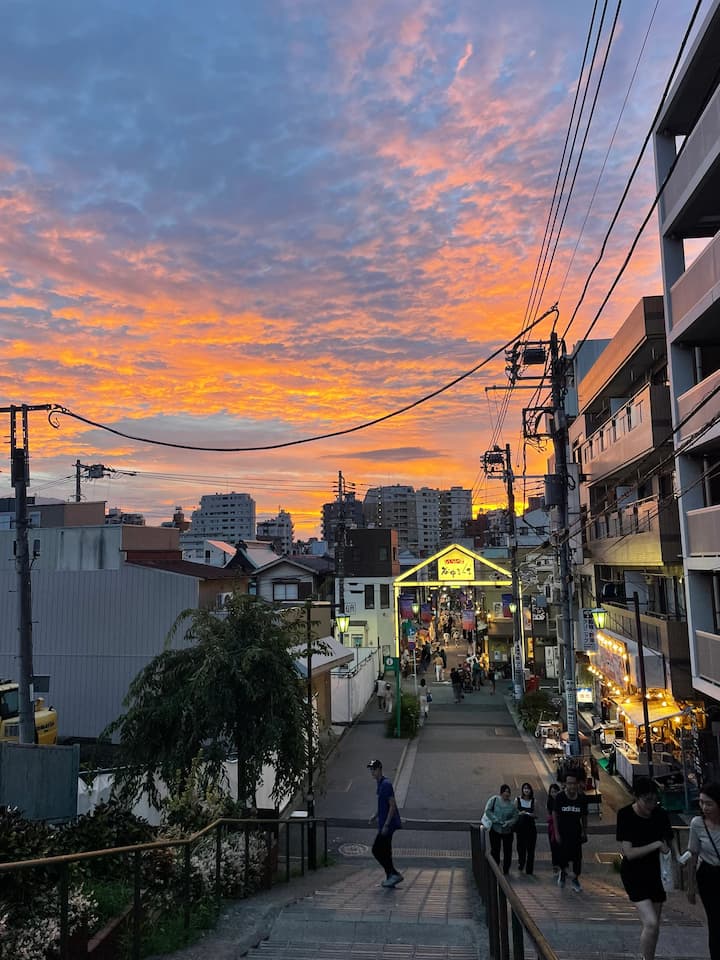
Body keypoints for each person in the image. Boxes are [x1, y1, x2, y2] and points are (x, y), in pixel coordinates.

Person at [616, 776, 673, 960]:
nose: (651, 805)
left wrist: (671, 852)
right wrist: (656, 845)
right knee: (651, 922)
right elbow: (629, 852)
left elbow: (669, 841)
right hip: (634, 874)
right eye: (647, 800)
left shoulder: (660, 814)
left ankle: (649, 956)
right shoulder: (625, 815)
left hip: (655, 873)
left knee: (654, 926)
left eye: (654, 800)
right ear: (636, 797)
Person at [686, 781, 720, 960]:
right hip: (708, 875)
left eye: (709, 803)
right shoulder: (697, 824)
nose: (704, 807)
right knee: (715, 922)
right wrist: (690, 886)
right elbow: (693, 855)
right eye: (701, 802)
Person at [367, 760, 403, 887]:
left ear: (380, 769)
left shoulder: (386, 784)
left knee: (376, 850)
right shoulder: (380, 783)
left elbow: (392, 805)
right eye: (371, 769)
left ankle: (394, 874)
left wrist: (386, 825)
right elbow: (382, 804)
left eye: (374, 769)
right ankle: (391, 877)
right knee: (385, 851)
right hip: (383, 823)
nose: (372, 771)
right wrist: (375, 816)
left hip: (388, 825)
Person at [551, 772, 587, 892]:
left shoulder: (581, 798)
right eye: (569, 783)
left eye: (574, 783)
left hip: (576, 832)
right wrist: (556, 833)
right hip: (563, 832)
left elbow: (584, 816)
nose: (571, 786)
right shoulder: (560, 797)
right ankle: (563, 873)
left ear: (577, 784)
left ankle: (575, 879)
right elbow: (554, 814)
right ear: (565, 784)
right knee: (563, 857)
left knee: (577, 859)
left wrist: (584, 831)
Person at [484, 784, 518, 875]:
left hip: (507, 830)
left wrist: (509, 822)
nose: (507, 793)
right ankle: (495, 868)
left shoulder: (512, 805)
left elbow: (515, 817)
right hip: (495, 829)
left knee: (507, 851)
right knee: (495, 849)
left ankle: (506, 869)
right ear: (501, 792)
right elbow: (488, 811)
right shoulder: (494, 799)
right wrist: (495, 820)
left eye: (508, 792)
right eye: (505, 791)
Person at [515, 782, 537, 876]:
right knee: (521, 847)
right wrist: (520, 813)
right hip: (521, 828)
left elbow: (537, 814)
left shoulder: (534, 801)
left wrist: (533, 815)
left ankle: (529, 869)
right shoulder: (517, 800)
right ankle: (521, 862)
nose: (526, 790)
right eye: (524, 788)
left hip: (531, 827)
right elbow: (514, 813)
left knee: (531, 849)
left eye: (528, 788)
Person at [546, 783, 562, 876]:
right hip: (552, 827)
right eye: (552, 792)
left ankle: (562, 865)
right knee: (553, 846)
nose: (554, 794)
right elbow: (549, 814)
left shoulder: (561, 801)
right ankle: (555, 865)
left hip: (561, 826)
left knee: (561, 846)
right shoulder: (549, 801)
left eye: (555, 792)